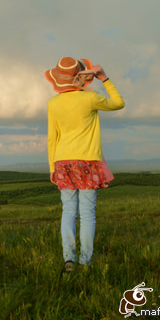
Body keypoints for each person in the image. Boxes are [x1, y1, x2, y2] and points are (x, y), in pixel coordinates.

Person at [45, 56, 125, 271]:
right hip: (88, 161)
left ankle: (68, 260)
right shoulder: (91, 98)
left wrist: (52, 168)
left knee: (68, 211)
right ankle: (85, 262)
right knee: (88, 213)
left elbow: (52, 137)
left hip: (62, 161)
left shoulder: (53, 103)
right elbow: (119, 103)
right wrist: (104, 78)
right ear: (81, 76)